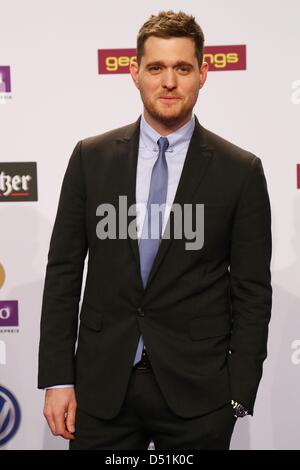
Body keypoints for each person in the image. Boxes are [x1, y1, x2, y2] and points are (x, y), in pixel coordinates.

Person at [38, 10, 272, 450]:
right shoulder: (92, 158)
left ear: (204, 74)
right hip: (101, 389)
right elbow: (64, 273)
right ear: (134, 72)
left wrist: (238, 395)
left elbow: (253, 291)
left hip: (198, 396)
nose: (169, 81)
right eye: (156, 68)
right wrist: (57, 378)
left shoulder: (240, 171)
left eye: (183, 68)